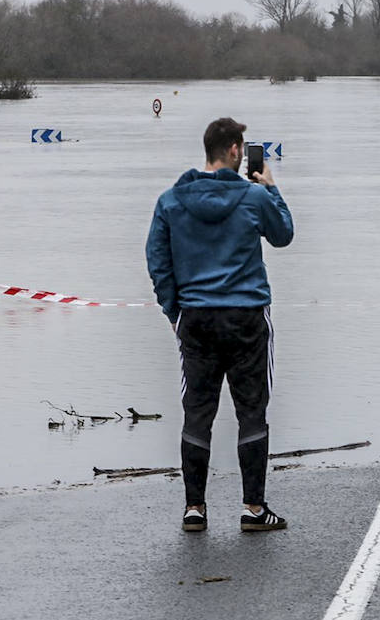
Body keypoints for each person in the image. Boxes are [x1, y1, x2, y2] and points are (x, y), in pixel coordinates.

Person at [146, 117, 294, 533]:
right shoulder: (253, 197)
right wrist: (271, 187)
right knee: (252, 411)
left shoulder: (171, 201)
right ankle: (253, 509)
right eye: (242, 148)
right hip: (246, 316)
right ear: (233, 151)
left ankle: (195, 509)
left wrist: (174, 311)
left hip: (196, 318)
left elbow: (158, 261)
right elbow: (283, 235)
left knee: (197, 413)